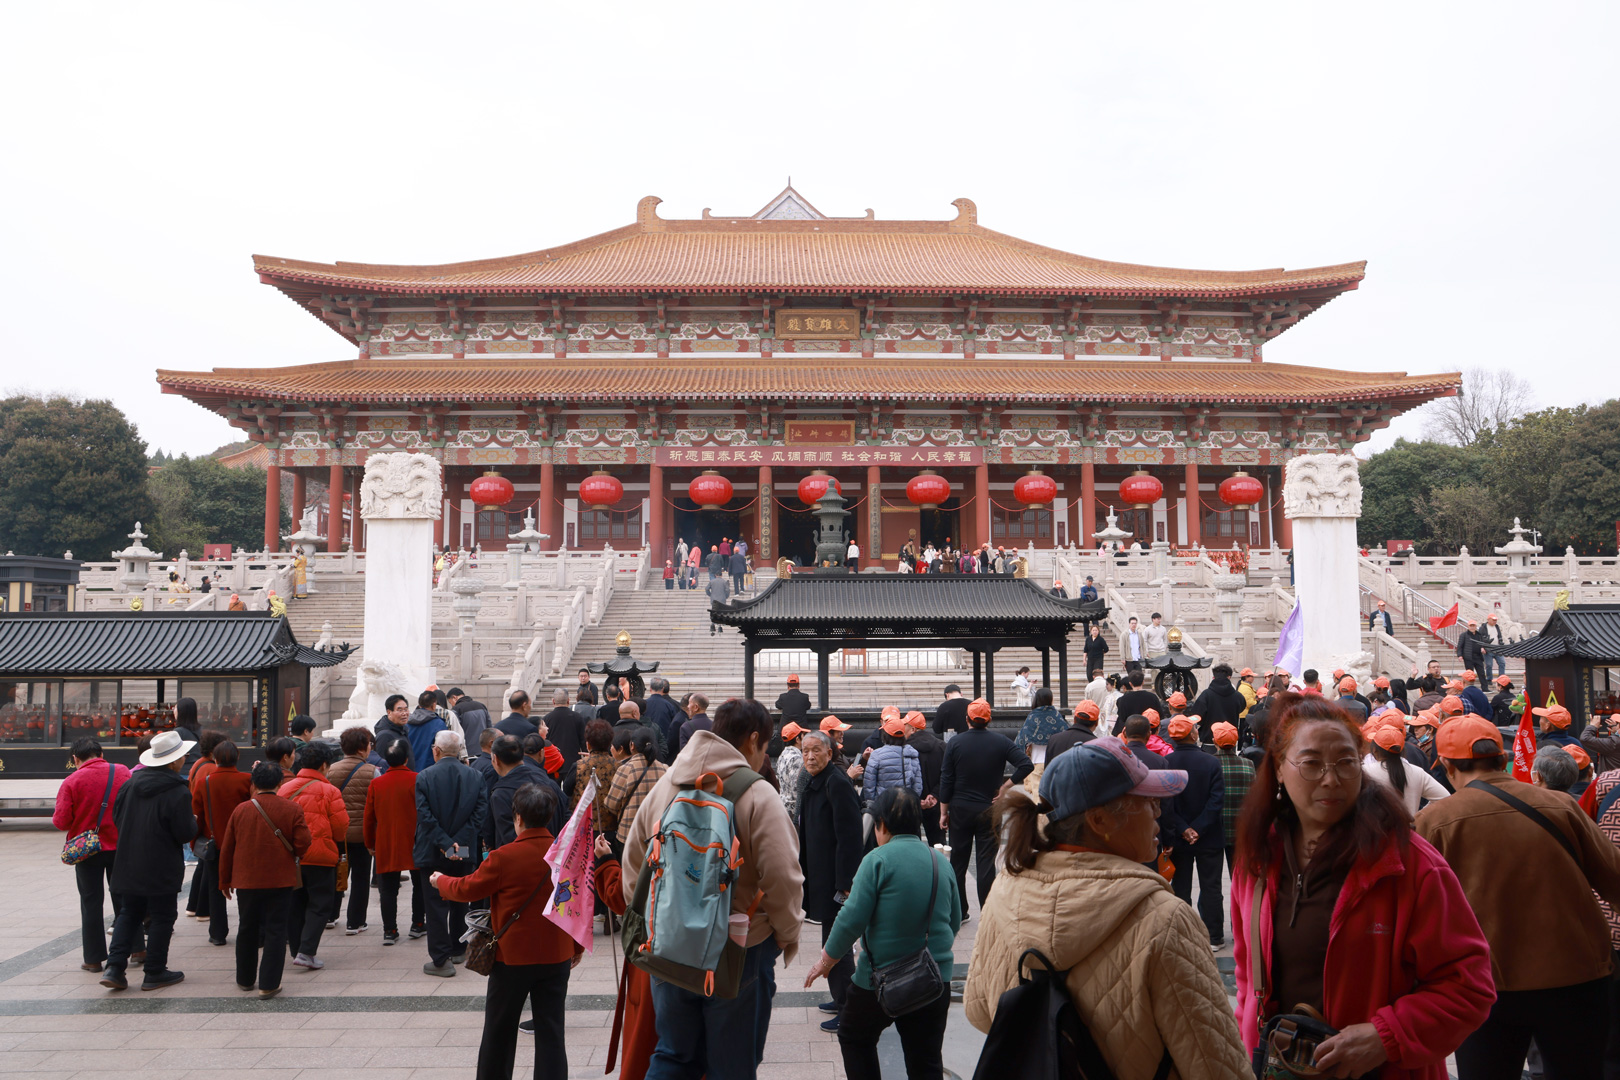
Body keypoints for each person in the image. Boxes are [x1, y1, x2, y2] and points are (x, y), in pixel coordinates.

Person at [1233, 693, 1496, 1078]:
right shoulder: (1257, 860)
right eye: (1311, 764)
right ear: (1278, 767)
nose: (1331, 779)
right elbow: (1246, 979)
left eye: (1345, 763)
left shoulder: (1407, 865)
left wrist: (1386, 1036)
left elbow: (1468, 984)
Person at [965, 736, 1251, 1078]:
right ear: (1099, 821)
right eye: (1146, 802)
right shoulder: (1166, 919)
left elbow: (979, 1010)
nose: (1159, 812)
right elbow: (1217, 1067)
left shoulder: (1005, 892)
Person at [1417, 713, 1620, 1078]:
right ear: (1501, 756)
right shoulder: (1561, 806)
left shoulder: (1434, 822)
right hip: (1576, 975)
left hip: (1485, 984)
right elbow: (1615, 881)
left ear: (1446, 764)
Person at [623, 698, 805, 1078]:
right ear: (753, 739)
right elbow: (783, 877)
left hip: (669, 945)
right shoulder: (758, 795)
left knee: (673, 1055)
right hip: (737, 949)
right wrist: (785, 935)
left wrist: (656, 920)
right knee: (732, 1065)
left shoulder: (667, 785)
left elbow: (634, 862)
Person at [806, 787, 960, 1077]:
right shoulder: (939, 862)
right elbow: (953, 922)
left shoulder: (877, 860)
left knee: (854, 1036)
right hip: (934, 979)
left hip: (880, 981)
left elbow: (851, 917)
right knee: (925, 1060)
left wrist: (826, 961)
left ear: (883, 825)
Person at [433, 783, 581, 1080]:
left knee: (499, 1032)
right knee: (552, 1030)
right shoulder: (566, 856)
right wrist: (575, 948)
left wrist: (441, 881)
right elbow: (577, 906)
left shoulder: (505, 857)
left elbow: (467, 888)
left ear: (517, 818)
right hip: (556, 955)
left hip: (512, 957)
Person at [100, 729, 199, 992]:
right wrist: (194, 824)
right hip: (161, 864)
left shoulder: (130, 784)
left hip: (128, 860)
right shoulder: (178, 790)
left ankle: (114, 967)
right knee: (162, 916)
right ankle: (154, 971)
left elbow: (117, 819)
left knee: (128, 913)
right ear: (174, 760)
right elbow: (184, 832)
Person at [218, 761, 312, 998]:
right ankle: (269, 983)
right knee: (276, 930)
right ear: (280, 783)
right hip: (280, 879)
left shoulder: (241, 810)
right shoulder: (291, 809)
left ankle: (245, 978)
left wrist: (224, 880)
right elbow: (303, 843)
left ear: (254, 783)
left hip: (246, 879)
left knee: (247, 927)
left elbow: (227, 848)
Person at [797, 730, 863, 1032]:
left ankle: (850, 1009)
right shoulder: (814, 781)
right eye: (805, 751)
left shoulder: (837, 783)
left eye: (815, 751)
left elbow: (850, 838)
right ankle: (840, 998)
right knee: (830, 938)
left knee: (837, 942)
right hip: (821, 875)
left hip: (836, 881)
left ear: (829, 752)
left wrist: (845, 883)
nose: (810, 756)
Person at [939, 698, 1033, 910]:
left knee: (958, 863)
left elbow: (947, 778)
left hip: (960, 809)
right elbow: (1025, 764)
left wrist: (944, 811)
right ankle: (987, 910)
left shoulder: (955, 743)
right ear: (989, 720)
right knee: (985, 863)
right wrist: (1005, 787)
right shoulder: (1000, 741)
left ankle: (960, 910)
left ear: (967, 719)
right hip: (990, 808)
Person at [54, 737, 133, 972]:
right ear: (101, 754)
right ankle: (138, 948)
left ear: (75, 759)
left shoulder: (71, 781)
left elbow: (61, 821)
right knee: (127, 900)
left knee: (91, 902)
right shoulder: (122, 772)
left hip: (88, 850)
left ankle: (93, 958)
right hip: (120, 846)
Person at [276, 742, 348, 970]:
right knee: (319, 905)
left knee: (295, 904)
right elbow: (340, 827)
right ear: (325, 765)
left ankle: (298, 950)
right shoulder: (330, 791)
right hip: (321, 857)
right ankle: (306, 951)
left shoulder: (285, 789)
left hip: (291, 857)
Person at [1163, 714, 1226, 948]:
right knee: (1211, 886)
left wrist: (1183, 829)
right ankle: (1214, 936)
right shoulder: (1211, 762)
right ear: (1193, 734)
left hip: (1179, 838)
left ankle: (1183, 935)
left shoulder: (1166, 762)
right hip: (1209, 835)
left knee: (1181, 888)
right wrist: (1198, 828)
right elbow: (1216, 800)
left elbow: (1166, 803)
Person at [192, 739, 254, 945]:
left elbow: (197, 816)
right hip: (243, 842)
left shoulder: (205, 783)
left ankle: (217, 933)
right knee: (246, 887)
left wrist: (195, 843)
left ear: (215, 759)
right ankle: (249, 929)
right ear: (237, 757)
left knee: (214, 887)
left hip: (215, 842)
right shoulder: (247, 780)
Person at [364, 735, 425, 944]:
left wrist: (370, 843)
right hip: (415, 839)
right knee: (420, 884)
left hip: (386, 839)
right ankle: (418, 924)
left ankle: (390, 930)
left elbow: (369, 817)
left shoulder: (377, 784)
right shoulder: (418, 779)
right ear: (407, 758)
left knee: (387, 888)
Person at [324, 727, 378, 936]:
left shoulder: (331, 770)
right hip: (362, 835)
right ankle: (355, 922)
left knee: (337, 873)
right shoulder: (372, 771)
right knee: (361, 878)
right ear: (363, 748)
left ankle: (330, 915)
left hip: (337, 833)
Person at [487, 734, 566, 849]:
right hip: (553, 856)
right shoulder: (548, 782)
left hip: (519, 861)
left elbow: (508, 837)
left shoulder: (501, 794)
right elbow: (566, 815)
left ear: (496, 759)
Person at [1363, 718, 1450, 816]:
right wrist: (1419, 816)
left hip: (1375, 830)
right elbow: (1445, 797)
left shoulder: (1366, 772)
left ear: (1374, 750)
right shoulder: (1417, 772)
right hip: (1408, 829)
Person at [601, 726, 666, 847]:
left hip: (629, 834)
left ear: (632, 746)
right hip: (656, 835)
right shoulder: (664, 769)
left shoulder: (625, 769)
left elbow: (611, 804)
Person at [1210, 721, 1254, 876]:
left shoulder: (1209, 764)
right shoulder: (1248, 765)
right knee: (1239, 878)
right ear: (1236, 742)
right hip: (1239, 830)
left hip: (1213, 830)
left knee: (1211, 881)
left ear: (1215, 741)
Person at [862, 713, 923, 811]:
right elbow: (917, 785)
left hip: (883, 806)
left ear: (885, 735)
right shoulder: (912, 753)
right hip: (906, 806)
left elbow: (869, 785)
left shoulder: (876, 755)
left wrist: (873, 803)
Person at [905, 710, 947, 846]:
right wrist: (934, 795)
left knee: (911, 844)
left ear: (912, 729)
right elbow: (947, 775)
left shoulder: (903, 749)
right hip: (935, 804)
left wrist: (918, 800)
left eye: (904, 725)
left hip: (910, 805)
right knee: (938, 844)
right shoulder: (941, 746)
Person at [1190, 662, 1246, 744]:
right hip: (1230, 740)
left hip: (1210, 739)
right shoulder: (1238, 696)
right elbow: (1241, 707)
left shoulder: (1206, 695)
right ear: (1229, 677)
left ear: (1213, 677)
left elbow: (1197, 715)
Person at [573, 719, 617, 814]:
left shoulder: (579, 765)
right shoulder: (618, 765)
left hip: (584, 822)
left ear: (588, 745)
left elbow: (567, 791)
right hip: (611, 823)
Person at [405, 688, 450, 771]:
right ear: (433, 705)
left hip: (409, 770)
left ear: (419, 705)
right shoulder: (439, 724)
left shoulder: (406, 723)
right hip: (431, 771)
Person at [1112, 669, 1164, 735]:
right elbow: (1160, 715)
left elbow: (1122, 718)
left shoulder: (1123, 699)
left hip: (1131, 732)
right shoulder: (1152, 697)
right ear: (1143, 682)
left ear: (1130, 683)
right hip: (1148, 731)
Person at [775, 721, 807, 823]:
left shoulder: (783, 755)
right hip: (793, 811)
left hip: (783, 806)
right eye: (803, 736)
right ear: (797, 739)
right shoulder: (796, 758)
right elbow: (797, 787)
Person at [642, 677, 682, 754]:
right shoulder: (669, 705)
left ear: (650, 689)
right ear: (663, 688)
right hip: (663, 743)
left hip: (646, 741)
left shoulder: (644, 704)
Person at [447, 688, 491, 753]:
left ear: (454, 698)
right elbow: (489, 728)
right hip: (483, 751)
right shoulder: (482, 706)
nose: (452, 705)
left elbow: (455, 732)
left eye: (450, 703)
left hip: (467, 752)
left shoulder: (456, 709)